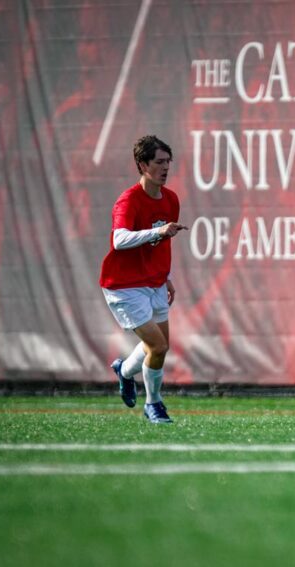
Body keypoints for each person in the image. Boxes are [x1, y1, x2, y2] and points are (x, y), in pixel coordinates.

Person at [99, 135, 188, 424]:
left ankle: (124, 371)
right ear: (142, 164)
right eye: (159, 162)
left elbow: (162, 245)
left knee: (160, 347)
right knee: (158, 347)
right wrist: (158, 233)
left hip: (155, 282)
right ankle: (154, 405)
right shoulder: (129, 200)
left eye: (168, 162)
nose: (166, 168)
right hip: (124, 286)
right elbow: (119, 239)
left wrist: (168, 277)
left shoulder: (171, 199)